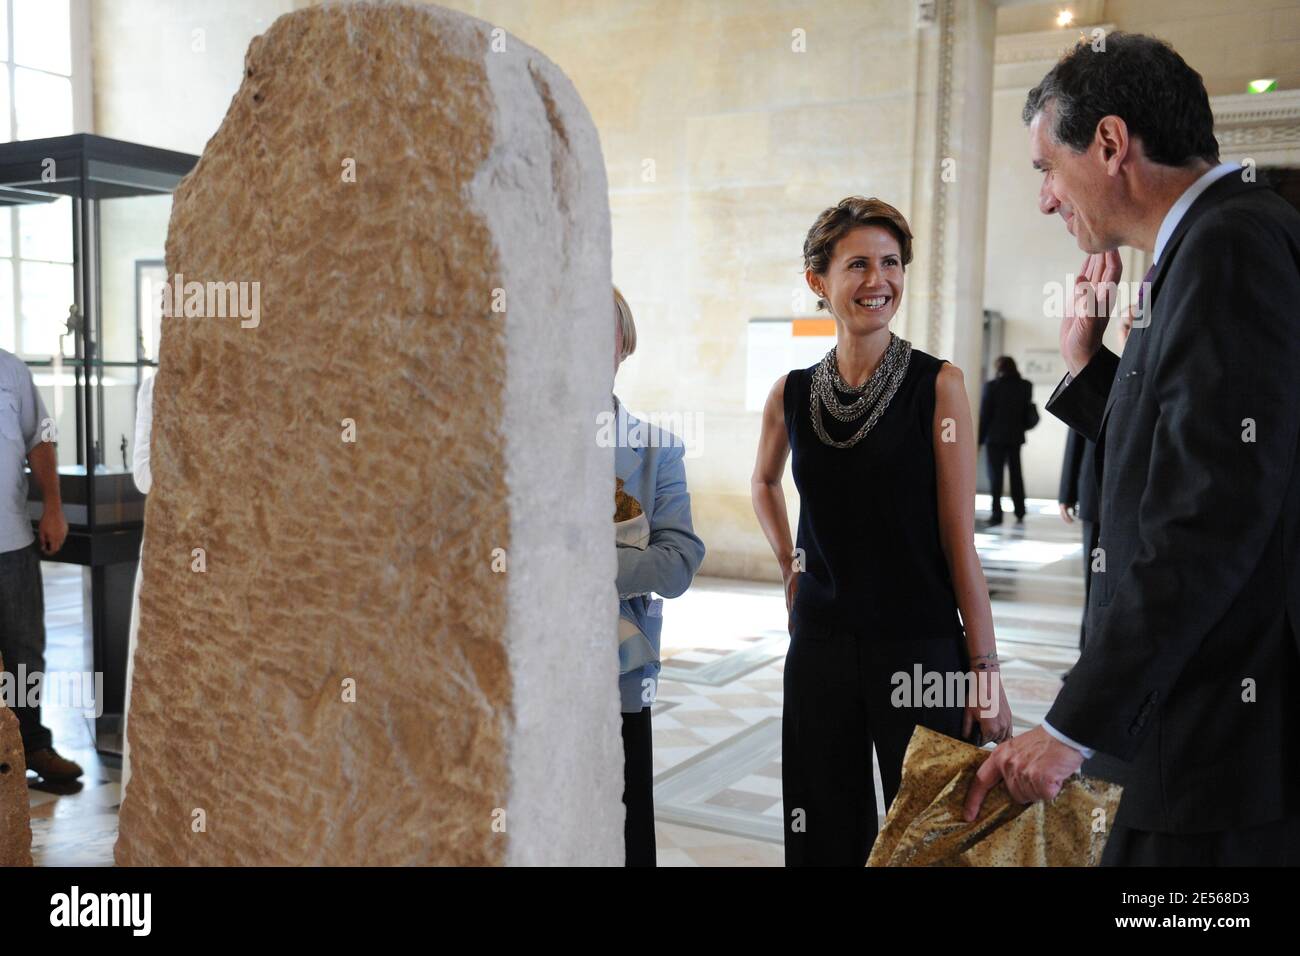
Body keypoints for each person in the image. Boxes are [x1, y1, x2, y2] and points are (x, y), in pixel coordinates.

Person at [965, 32, 1300, 866]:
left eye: (1047, 166)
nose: (1046, 198)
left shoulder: (1228, 247)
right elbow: (1184, 451)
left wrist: (1073, 723)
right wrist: (1085, 365)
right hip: (1188, 735)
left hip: (1213, 748)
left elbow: (1206, 518)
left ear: (1111, 144)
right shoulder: (1207, 243)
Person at [752, 197, 1012, 866]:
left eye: (891, 263)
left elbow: (960, 540)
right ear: (819, 282)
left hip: (921, 647)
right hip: (819, 647)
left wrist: (984, 671)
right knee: (822, 830)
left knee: (929, 840)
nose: (879, 280)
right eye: (858, 264)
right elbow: (762, 482)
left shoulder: (939, 385)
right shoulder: (790, 393)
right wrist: (791, 563)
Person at [612, 286, 705, 867]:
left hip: (620, 673)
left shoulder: (655, 450)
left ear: (623, 342)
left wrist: (569, 564)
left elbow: (675, 565)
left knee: (625, 828)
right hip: (523, 674)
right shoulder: (512, 443)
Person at [0, 346, 80, 784]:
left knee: (23, 653)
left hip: (10, 542)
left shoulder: (11, 370)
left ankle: (31, 744)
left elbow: (40, 438)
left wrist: (54, 506)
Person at [978, 356, 1036, 525]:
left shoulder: (991, 387)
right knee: (1016, 474)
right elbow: (1026, 412)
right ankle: (1020, 510)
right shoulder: (1025, 386)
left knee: (995, 477)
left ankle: (997, 514)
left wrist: (979, 441)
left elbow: (985, 416)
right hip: (1015, 437)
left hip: (994, 439)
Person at [1057, 426, 1097, 652]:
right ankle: (1088, 654)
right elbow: (1077, 429)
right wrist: (1067, 491)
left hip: (1139, 494)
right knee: (1094, 583)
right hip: (1095, 493)